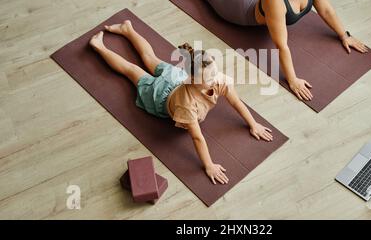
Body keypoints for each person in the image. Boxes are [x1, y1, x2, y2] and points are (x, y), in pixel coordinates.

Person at [152, 0, 369, 101]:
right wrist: (292, 79)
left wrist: (344, 35)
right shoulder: (276, 1)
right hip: (238, 5)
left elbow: (326, 9)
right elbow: (281, 45)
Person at [89, 20, 273, 185]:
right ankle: (99, 47)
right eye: (207, 78)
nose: (214, 79)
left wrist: (253, 124)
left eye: (214, 72)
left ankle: (127, 29)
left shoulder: (219, 79)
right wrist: (209, 165)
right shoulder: (187, 105)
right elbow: (197, 137)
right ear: (191, 79)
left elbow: (236, 102)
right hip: (159, 94)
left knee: (149, 58)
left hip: (173, 77)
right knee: (131, 69)